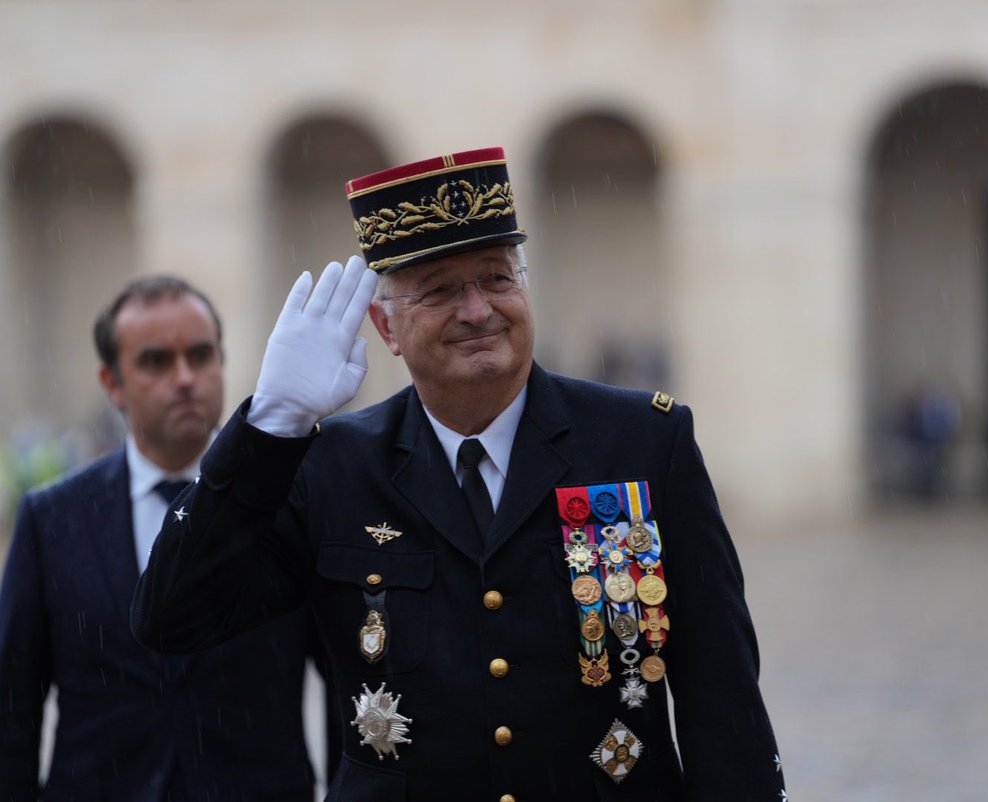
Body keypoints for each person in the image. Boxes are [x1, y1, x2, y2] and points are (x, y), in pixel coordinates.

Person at [133, 147, 785, 800]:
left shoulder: (640, 441)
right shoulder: (330, 468)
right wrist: (268, 429)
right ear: (386, 326)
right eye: (441, 290)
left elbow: (720, 688)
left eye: (497, 278)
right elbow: (172, 617)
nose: (477, 310)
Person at [0, 276, 330, 801]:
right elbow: (13, 705)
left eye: (200, 355)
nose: (185, 378)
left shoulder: (291, 501)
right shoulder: (52, 517)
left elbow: (345, 677)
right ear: (112, 383)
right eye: (156, 361)